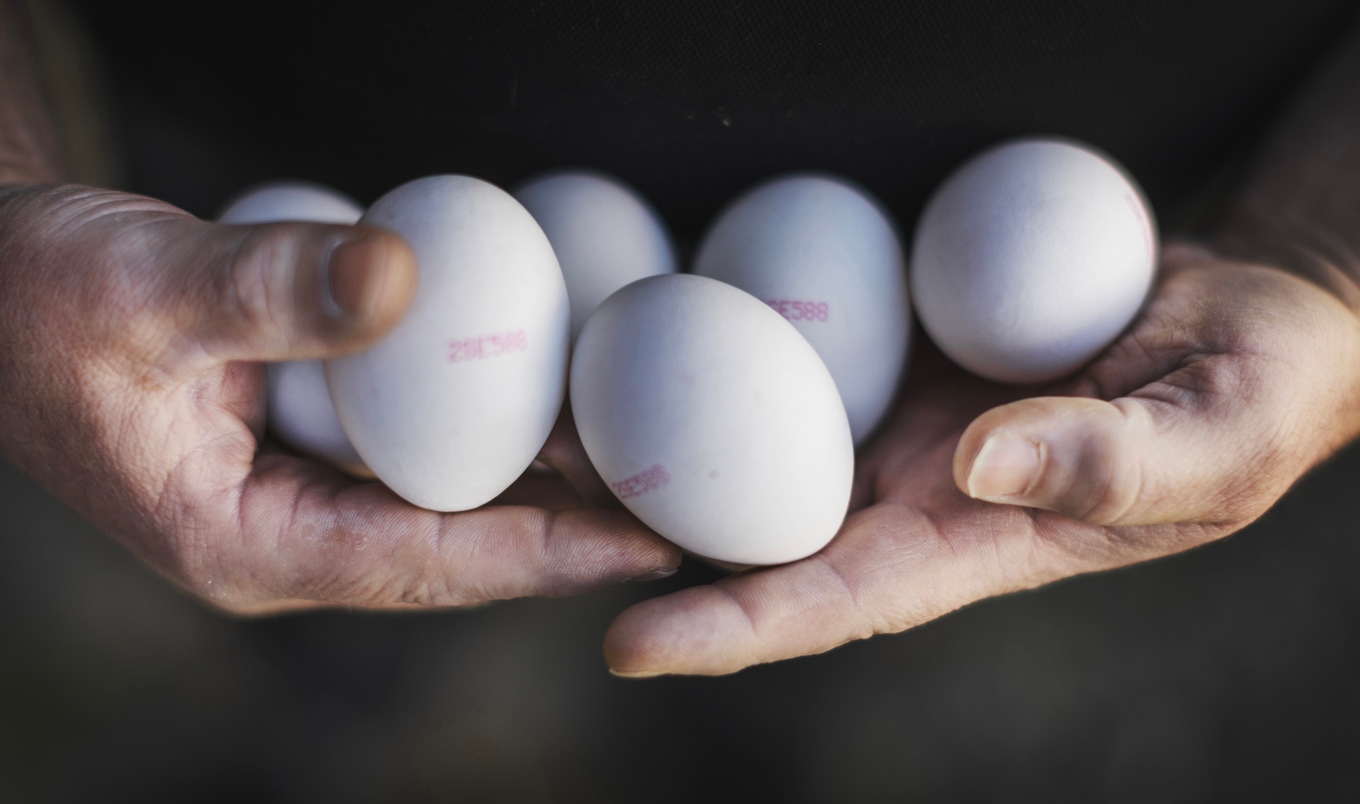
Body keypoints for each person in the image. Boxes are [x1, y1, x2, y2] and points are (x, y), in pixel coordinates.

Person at [2, 0, 1359, 677]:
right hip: (258, 227)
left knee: (793, 599)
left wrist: (1329, 249)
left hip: (1087, 251)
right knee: (355, 602)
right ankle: (350, 703)